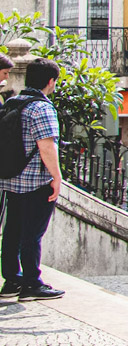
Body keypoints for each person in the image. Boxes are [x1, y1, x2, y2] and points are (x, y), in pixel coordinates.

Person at [1, 59, 64, 301]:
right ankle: (32, 283)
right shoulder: (42, 108)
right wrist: (56, 177)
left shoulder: (13, 102)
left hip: (11, 178)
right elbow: (47, 146)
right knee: (33, 234)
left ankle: (11, 280)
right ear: (50, 81)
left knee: (12, 230)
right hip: (35, 181)